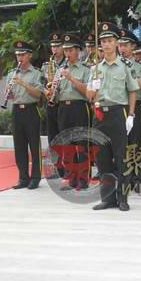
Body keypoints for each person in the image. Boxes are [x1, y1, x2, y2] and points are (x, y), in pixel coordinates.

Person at [87, 22, 139, 211]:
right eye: (103, 41)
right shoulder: (95, 69)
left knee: (121, 157)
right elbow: (88, 96)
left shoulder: (124, 66)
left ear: (117, 43)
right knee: (102, 158)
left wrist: (131, 114)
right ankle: (107, 198)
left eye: (110, 40)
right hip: (100, 114)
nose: (106, 44)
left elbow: (133, 90)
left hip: (118, 113)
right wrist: (93, 87)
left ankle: (122, 198)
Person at [57, 33, 91, 189]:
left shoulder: (85, 69)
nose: (68, 54)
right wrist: (51, 91)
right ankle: (71, 177)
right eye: (66, 51)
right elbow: (56, 93)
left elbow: (87, 91)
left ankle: (83, 178)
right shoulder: (60, 69)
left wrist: (71, 78)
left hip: (79, 107)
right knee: (68, 145)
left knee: (81, 143)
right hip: (64, 107)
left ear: (78, 50)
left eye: (71, 50)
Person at [7, 41, 43, 189]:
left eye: (22, 54)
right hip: (17, 110)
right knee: (19, 146)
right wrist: (8, 92)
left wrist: (22, 83)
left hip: (31, 110)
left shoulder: (36, 73)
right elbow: (10, 96)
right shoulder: (11, 73)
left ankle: (35, 177)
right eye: (17, 55)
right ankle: (23, 177)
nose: (19, 57)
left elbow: (38, 94)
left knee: (34, 145)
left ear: (29, 55)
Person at [118, 28, 141, 189]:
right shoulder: (114, 64)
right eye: (120, 45)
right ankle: (125, 179)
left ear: (133, 46)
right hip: (119, 108)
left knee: (136, 144)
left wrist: (130, 70)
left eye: (125, 45)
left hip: (136, 108)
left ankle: (138, 178)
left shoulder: (138, 65)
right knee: (121, 145)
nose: (122, 48)